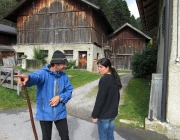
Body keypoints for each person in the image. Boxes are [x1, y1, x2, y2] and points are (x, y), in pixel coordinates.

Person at [15, 50, 73, 140]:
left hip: (60, 112)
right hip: (44, 112)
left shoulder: (63, 76)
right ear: (56, 64)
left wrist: (60, 97)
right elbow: (35, 77)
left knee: (65, 137)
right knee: (46, 138)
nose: (65, 66)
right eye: (63, 64)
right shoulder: (43, 74)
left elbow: (69, 90)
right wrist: (28, 77)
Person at [91, 58, 122, 140]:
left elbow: (100, 99)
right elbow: (117, 97)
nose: (99, 69)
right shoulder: (114, 77)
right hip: (112, 114)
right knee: (110, 135)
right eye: (98, 67)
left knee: (103, 136)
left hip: (104, 115)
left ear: (107, 67)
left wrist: (94, 115)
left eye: (101, 67)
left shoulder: (104, 79)